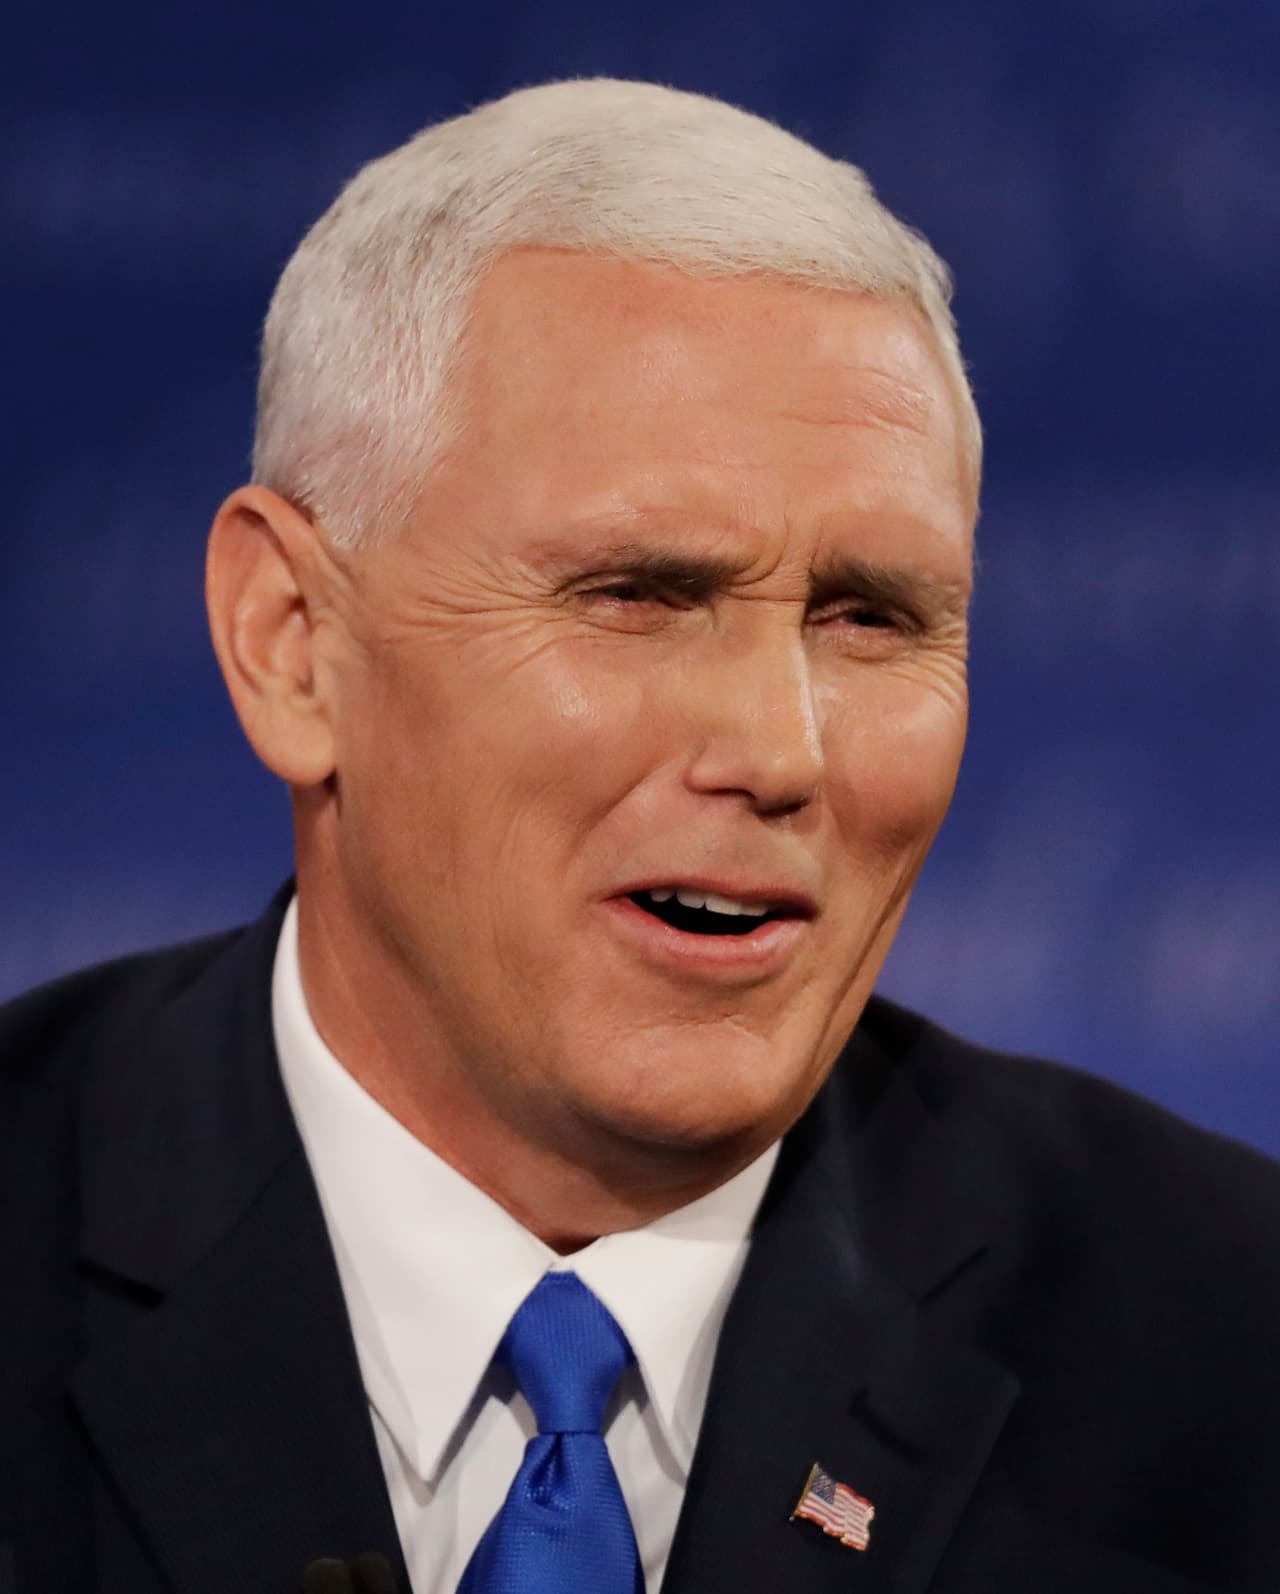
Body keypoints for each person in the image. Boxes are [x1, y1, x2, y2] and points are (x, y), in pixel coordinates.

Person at [3, 78, 1279, 1594]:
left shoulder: (1230, 1353)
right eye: (637, 596)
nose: (783, 754)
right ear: (292, 641)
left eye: (871, 618)